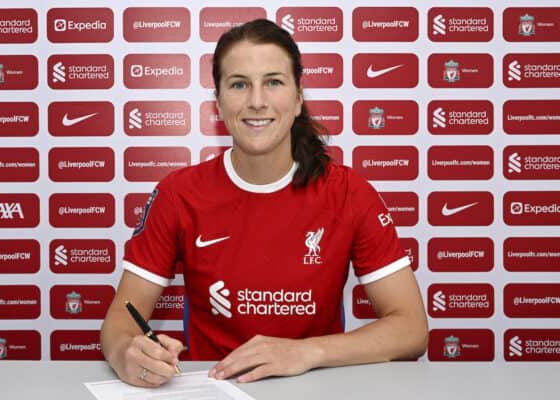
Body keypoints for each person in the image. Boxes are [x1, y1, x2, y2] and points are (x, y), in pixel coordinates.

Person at [100, 18, 428, 387]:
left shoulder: (349, 192)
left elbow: (411, 328)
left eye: (273, 82)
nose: (257, 101)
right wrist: (125, 351)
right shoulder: (179, 194)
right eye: (239, 84)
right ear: (219, 102)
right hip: (212, 388)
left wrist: (306, 352)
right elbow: (121, 320)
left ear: (299, 96)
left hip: (318, 387)